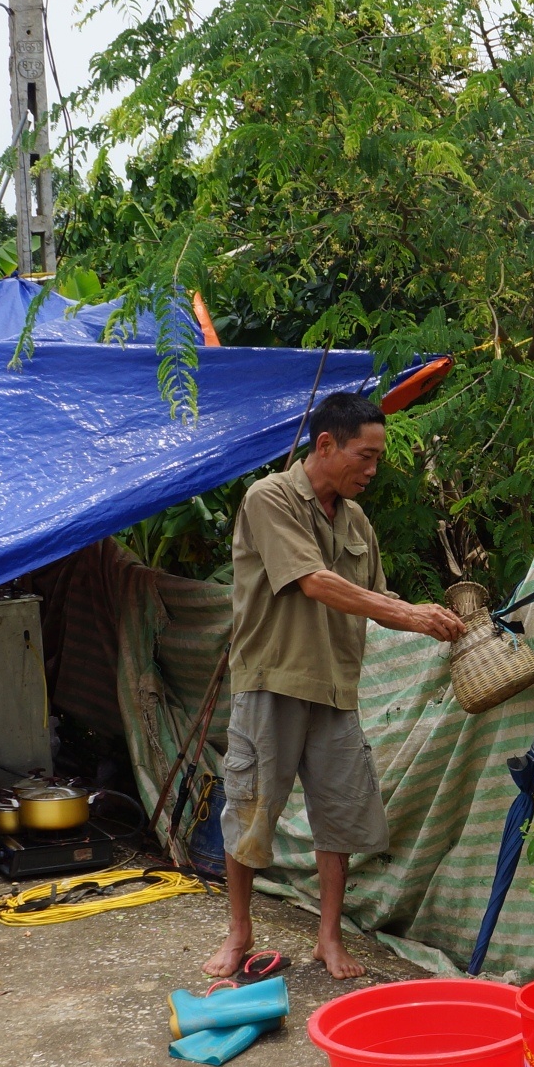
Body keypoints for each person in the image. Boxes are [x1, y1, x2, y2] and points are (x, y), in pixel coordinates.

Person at [203, 391, 464, 980]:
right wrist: (411, 616)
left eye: (377, 459)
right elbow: (315, 582)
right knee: (250, 808)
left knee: (339, 816)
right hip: (272, 677)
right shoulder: (269, 497)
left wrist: (436, 620)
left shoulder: (356, 521)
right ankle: (239, 930)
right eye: (364, 457)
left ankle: (328, 937)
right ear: (326, 445)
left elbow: (378, 599)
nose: (372, 470)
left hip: (337, 688)